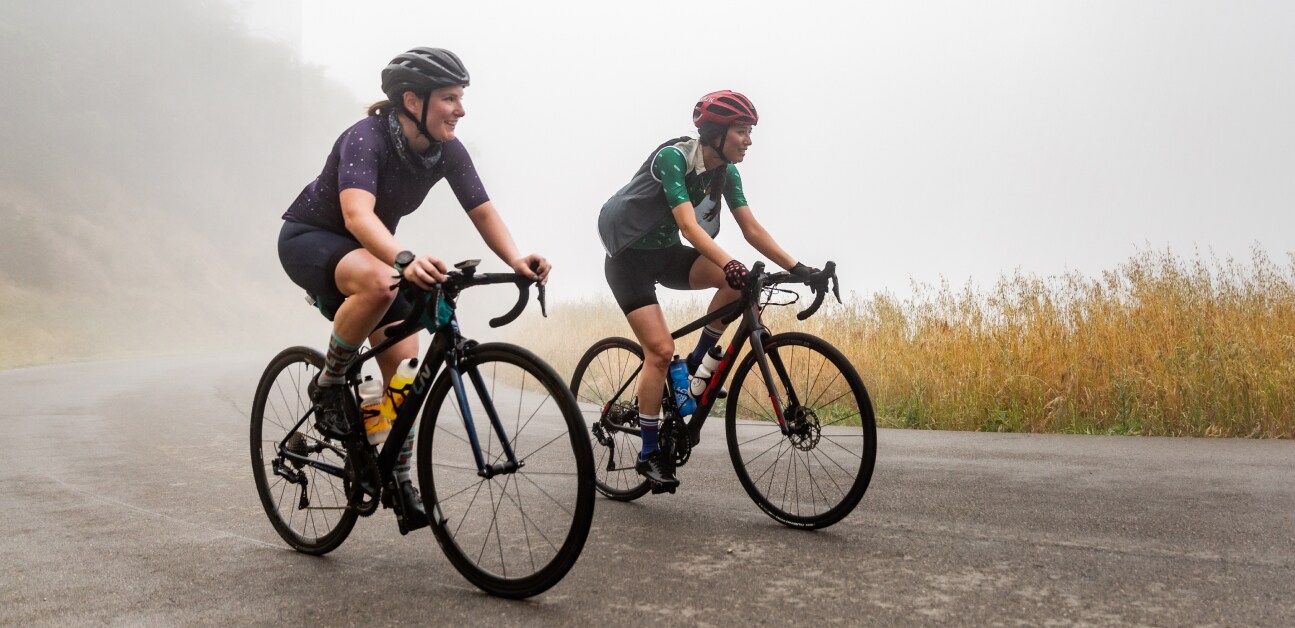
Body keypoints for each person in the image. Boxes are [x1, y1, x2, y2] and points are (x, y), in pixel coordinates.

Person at [278, 47, 550, 519]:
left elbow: (482, 211)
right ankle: (329, 382)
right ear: (411, 101)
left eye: (461, 98)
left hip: (373, 253)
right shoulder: (366, 138)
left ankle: (394, 473)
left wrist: (516, 258)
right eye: (449, 98)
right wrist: (404, 259)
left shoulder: (447, 151)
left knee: (405, 373)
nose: (460, 110)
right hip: (312, 240)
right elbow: (356, 214)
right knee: (382, 282)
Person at [597, 90, 819, 489]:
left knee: (739, 286)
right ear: (717, 132)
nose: (748, 140)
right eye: (741, 131)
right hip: (628, 258)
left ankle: (696, 371)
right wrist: (727, 261)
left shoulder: (726, 172)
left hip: (665, 255)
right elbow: (688, 226)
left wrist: (800, 268)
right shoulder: (674, 159)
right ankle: (648, 454)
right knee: (661, 351)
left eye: (749, 131)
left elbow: (751, 230)